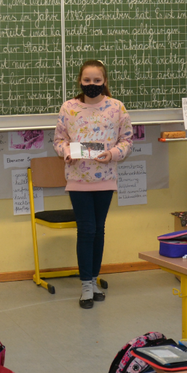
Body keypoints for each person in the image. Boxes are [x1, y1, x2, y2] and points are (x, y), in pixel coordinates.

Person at [52, 59, 133, 309]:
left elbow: (127, 141)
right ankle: (86, 284)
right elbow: (58, 140)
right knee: (86, 230)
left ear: (105, 81)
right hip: (77, 179)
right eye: (87, 80)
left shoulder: (117, 107)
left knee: (99, 230)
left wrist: (112, 154)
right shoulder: (69, 108)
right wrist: (66, 152)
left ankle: (94, 279)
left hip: (105, 178)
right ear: (80, 81)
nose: (92, 84)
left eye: (97, 80)